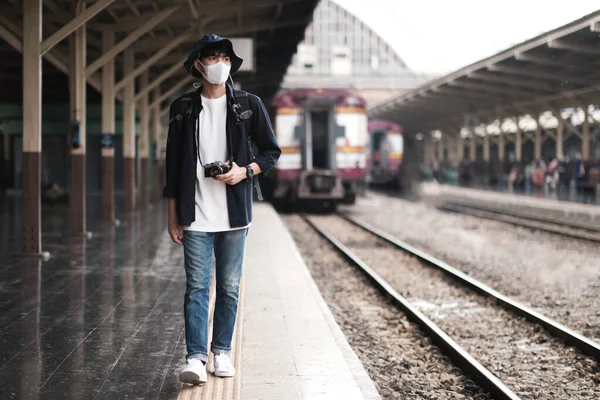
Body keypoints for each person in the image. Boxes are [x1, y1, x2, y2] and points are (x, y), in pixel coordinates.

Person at [163, 34, 281, 385]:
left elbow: (271, 152)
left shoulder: (248, 104)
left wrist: (243, 172)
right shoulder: (182, 108)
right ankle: (196, 357)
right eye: (213, 58)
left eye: (225, 58)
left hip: (234, 215)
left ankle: (221, 351)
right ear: (198, 65)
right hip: (194, 212)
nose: (220, 64)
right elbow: (172, 167)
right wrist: (172, 216)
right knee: (196, 288)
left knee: (229, 287)